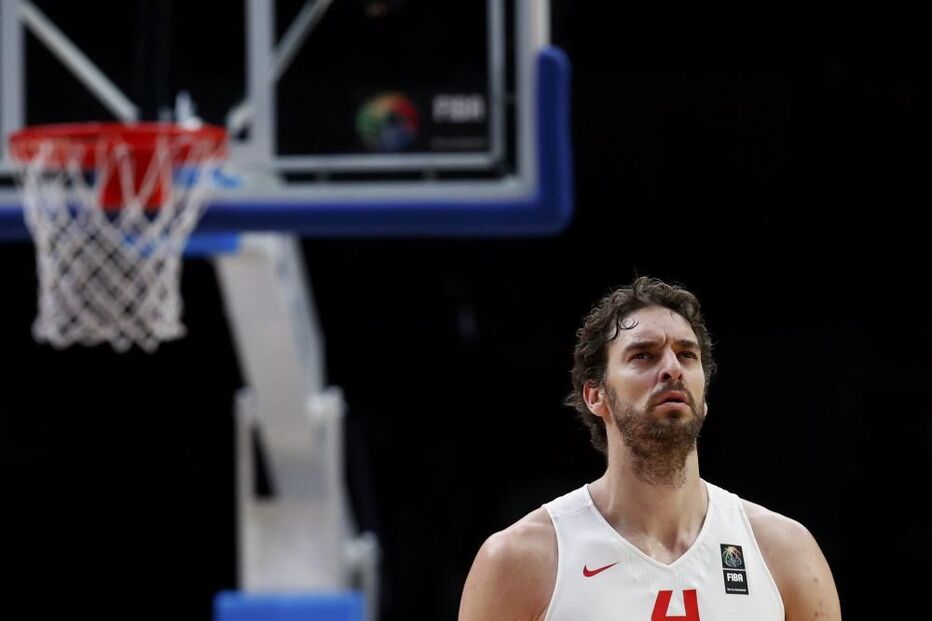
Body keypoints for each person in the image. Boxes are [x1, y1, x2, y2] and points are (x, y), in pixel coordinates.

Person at [458, 276, 841, 620]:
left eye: (686, 355)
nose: (672, 368)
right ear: (596, 395)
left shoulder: (785, 553)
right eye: (644, 355)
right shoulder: (521, 560)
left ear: (704, 395)